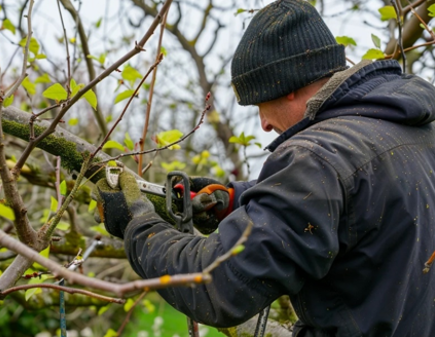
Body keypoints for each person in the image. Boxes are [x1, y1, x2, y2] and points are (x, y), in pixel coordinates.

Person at [95, 0, 435, 335]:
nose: (263, 124)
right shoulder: (410, 130)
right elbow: (348, 197)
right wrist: (237, 200)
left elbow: (215, 286)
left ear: (287, 87)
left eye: (261, 103)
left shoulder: (315, 158)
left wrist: (137, 225)